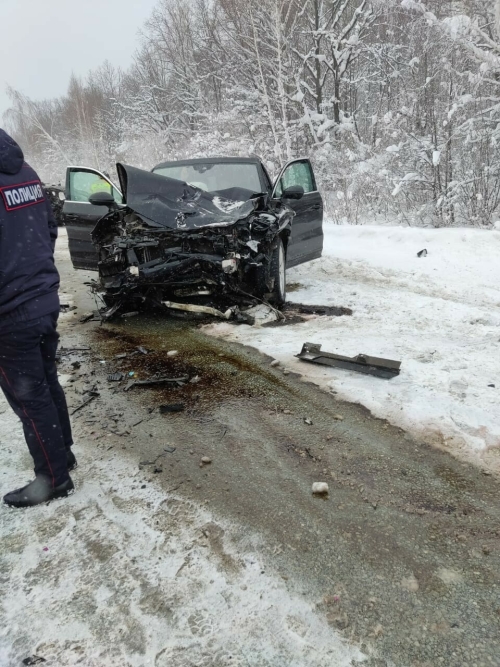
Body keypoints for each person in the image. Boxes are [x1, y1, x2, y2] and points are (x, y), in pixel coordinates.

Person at [0, 128, 76, 508]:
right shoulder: (25, 173)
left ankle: (53, 477)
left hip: (10, 314)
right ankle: (63, 454)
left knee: (29, 399)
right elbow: (48, 227)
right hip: (43, 300)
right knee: (46, 381)